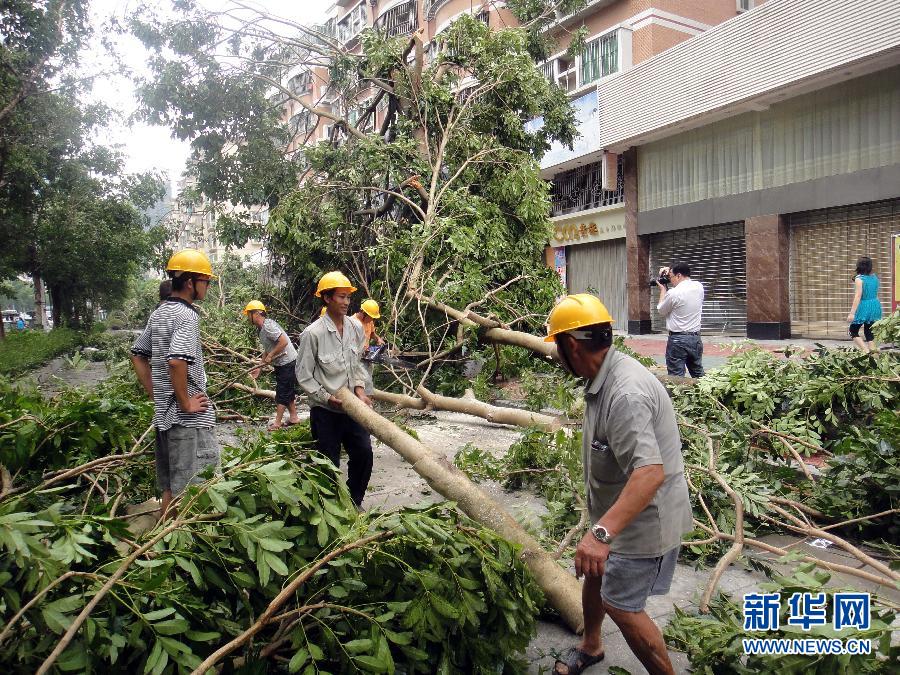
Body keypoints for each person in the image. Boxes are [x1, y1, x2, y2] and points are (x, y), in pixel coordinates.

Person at [546, 294, 692, 675]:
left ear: (572, 345)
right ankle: (592, 646)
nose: (557, 356)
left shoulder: (624, 393)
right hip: (619, 512)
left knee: (623, 606)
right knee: (594, 573)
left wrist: (600, 534)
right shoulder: (603, 375)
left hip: (645, 520)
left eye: (557, 346)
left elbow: (649, 473)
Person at [130, 249, 220, 519]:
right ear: (191, 282)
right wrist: (185, 401)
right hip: (186, 422)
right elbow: (177, 361)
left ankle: (164, 543)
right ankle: (180, 543)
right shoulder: (187, 316)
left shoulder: (159, 314)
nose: (207, 287)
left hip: (165, 418)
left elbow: (137, 355)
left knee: (170, 487)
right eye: (206, 281)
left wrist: (156, 394)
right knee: (192, 489)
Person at [295, 271, 374, 507]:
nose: (346, 302)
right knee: (328, 464)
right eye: (341, 297)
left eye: (348, 297)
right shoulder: (312, 334)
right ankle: (331, 508)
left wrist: (360, 390)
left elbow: (358, 363)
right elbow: (303, 376)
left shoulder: (355, 328)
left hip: (353, 408)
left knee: (364, 454)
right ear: (327, 298)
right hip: (326, 412)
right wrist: (327, 398)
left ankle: (354, 501)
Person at [243, 300, 300, 430]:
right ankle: (294, 417)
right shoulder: (261, 329)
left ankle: (277, 423)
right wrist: (259, 368)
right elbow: (268, 349)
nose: (247, 317)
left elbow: (283, 342)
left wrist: (271, 355)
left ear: (257, 314)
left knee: (282, 392)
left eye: (248, 314)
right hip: (281, 363)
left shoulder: (268, 326)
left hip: (287, 361)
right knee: (287, 390)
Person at [656, 262, 705, 378]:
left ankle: (679, 396)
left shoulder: (673, 293)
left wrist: (663, 290)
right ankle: (705, 395)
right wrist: (670, 270)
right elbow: (681, 271)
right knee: (698, 373)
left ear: (678, 276)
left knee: (676, 377)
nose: (670, 280)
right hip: (695, 339)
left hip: (677, 340)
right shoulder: (699, 287)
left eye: (671, 277)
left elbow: (661, 310)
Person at [846, 256, 882, 353]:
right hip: (875, 305)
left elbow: (858, 296)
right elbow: (875, 293)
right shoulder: (875, 278)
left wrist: (852, 313)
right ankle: (874, 357)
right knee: (869, 332)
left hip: (864, 306)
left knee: (852, 331)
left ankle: (866, 351)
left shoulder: (859, 279)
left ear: (858, 266)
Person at [353, 299, 384, 395]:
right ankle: (361, 403)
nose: (372, 320)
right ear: (363, 313)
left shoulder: (369, 321)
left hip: (366, 356)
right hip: (356, 359)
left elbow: (372, 334)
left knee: (368, 382)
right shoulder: (352, 322)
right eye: (371, 317)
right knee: (361, 381)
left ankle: (367, 402)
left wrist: (378, 339)